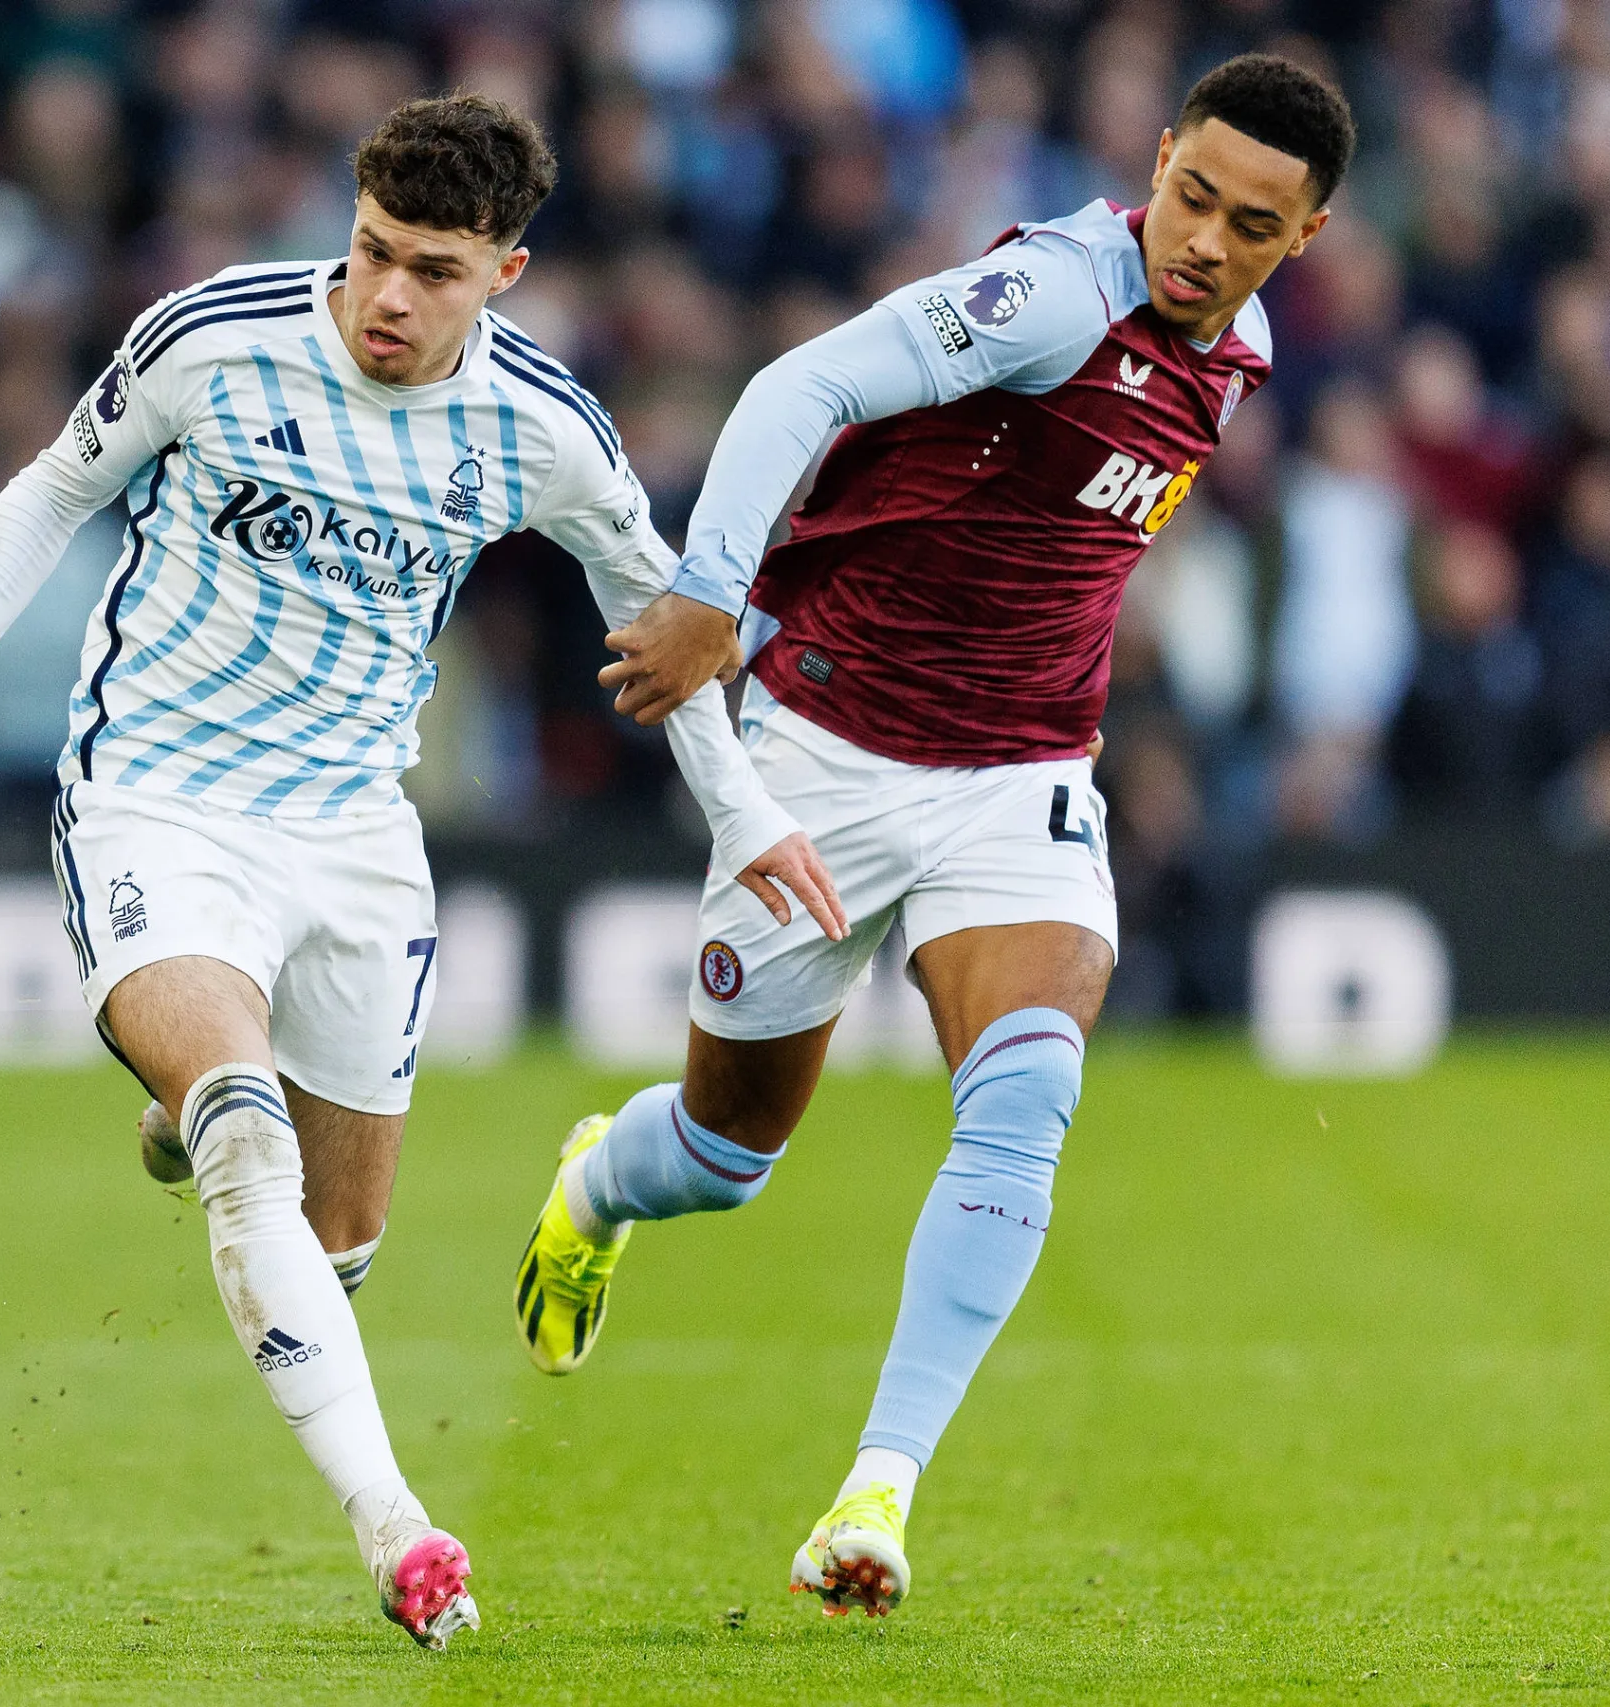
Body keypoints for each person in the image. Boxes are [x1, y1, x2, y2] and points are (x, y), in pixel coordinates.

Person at [0, 94, 839, 1649]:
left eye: (435, 271)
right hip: (158, 800)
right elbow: (55, 483)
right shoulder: (216, 336)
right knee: (252, 1135)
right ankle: (399, 1527)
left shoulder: (543, 430)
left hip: (355, 838)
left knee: (343, 1248)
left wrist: (745, 811)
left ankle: (190, 1103)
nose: (388, 295)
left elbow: (668, 628)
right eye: (373, 251)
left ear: (505, 273)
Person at [511, 54, 1353, 1620]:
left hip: (1020, 774)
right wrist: (708, 596)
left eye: (1250, 225)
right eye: (1188, 197)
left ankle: (877, 1488)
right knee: (721, 1156)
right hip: (826, 753)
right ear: (1155, 161)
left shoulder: (1243, 345)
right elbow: (797, 388)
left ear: (1302, 238)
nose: (1204, 243)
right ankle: (592, 1195)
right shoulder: (1048, 294)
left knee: (1028, 1089)